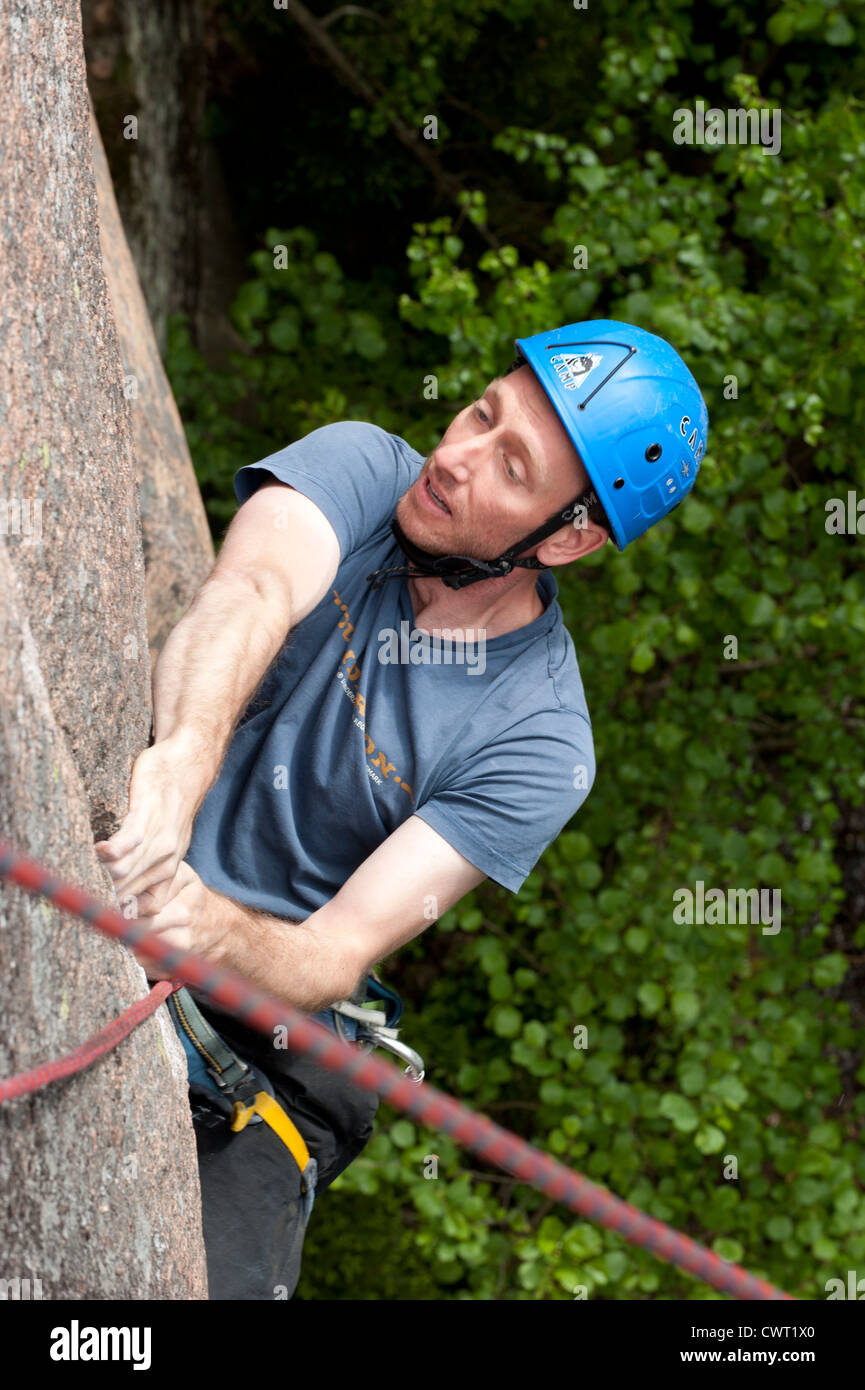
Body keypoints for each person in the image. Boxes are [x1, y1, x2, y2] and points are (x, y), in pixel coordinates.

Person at [95, 319, 708, 1299]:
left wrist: (200, 919)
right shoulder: (362, 466)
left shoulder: (538, 740)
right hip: (162, 844)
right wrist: (182, 763)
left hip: (270, 1039)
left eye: (511, 466)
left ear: (570, 537)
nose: (456, 457)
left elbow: (334, 952)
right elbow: (249, 589)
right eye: (480, 412)